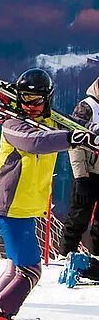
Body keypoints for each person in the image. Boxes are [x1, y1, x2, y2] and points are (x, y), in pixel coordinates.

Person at [0, 69, 98, 320]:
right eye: (25, 99)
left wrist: (87, 133)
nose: (31, 105)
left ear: (47, 100)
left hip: (26, 208)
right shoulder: (14, 124)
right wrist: (74, 139)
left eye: (37, 100)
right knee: (29, 271)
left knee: (16, 268)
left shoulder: (47, 120)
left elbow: (67, 126)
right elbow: (38, 142)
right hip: (10, 207)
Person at [59, 75, 99, 284]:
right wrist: (81, 176)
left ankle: (94, 262)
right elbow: (75, 142)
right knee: (78, 216)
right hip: (88, 172)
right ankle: (66, 255)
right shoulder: (87, 107)